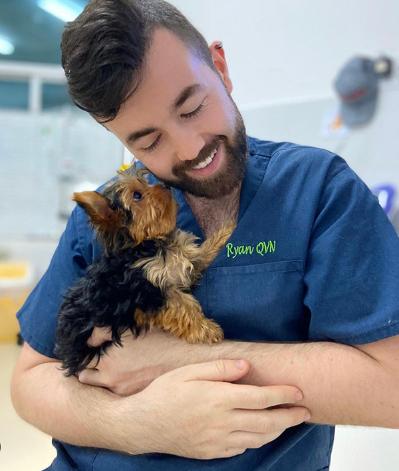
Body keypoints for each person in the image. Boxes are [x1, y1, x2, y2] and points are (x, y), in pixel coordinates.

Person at [11, 1, 399, 470]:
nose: (190, 149)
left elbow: (390, 388)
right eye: (148, 141)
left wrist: (171, 360)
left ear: (220, 66)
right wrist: (132, 423)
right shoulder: (109, 215)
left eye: (193, 107)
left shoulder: (317, 192)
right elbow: (30, 378)